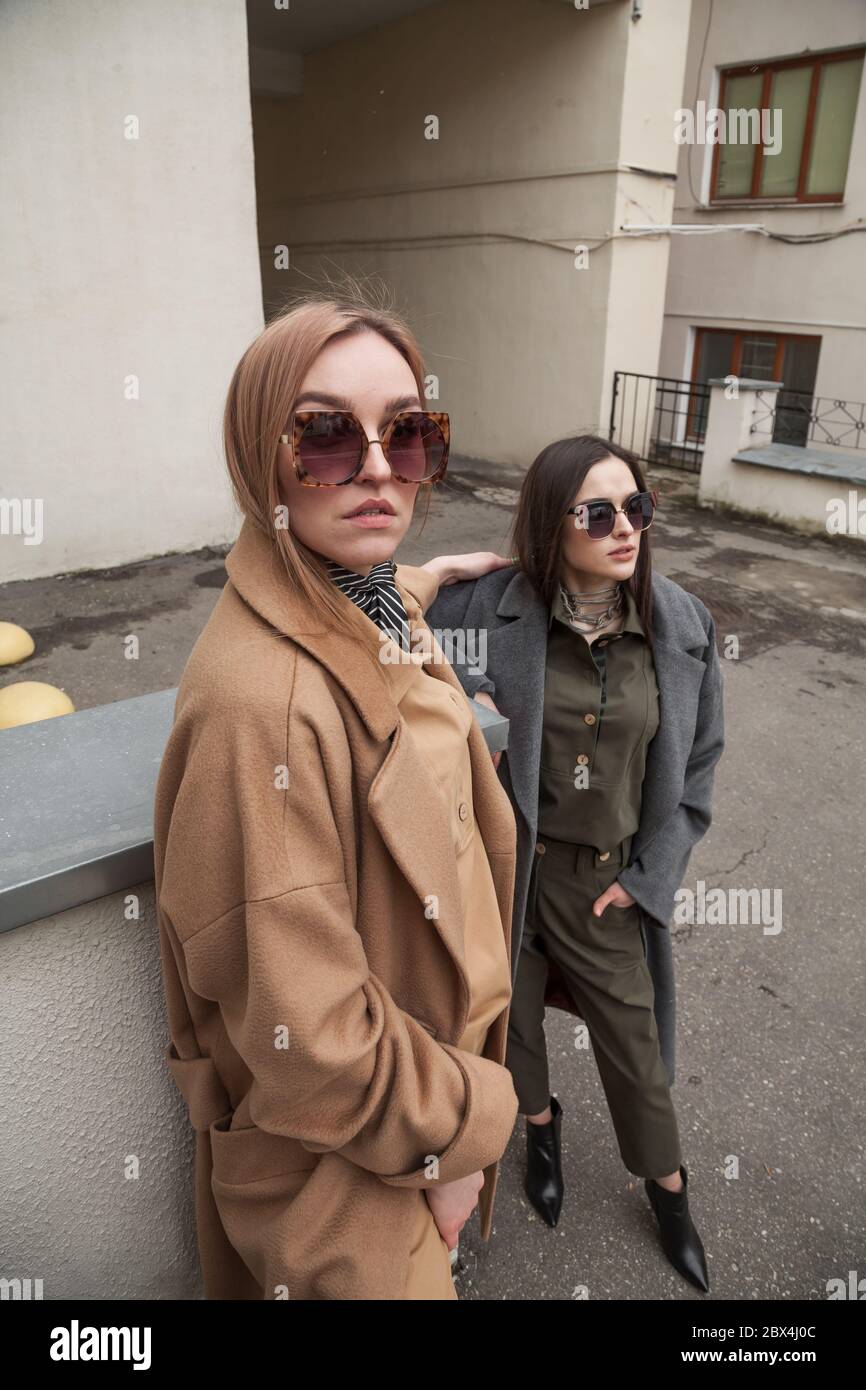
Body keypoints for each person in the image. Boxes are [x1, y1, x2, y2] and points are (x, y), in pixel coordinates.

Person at [152, 290, 520, 1299]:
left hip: (397, 1135)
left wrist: (429, 575)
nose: (372, 467)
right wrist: (460, 1143)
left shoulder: (361, 596)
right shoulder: (257, 707)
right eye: (321, 435)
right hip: (353, 1174)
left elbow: (381, 623)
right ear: (253, 454)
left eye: (407, 434)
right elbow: (310, 1042)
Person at [424, 434, 726, 1292]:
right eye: (599, 513)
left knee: (637, 1053)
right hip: (508, 875)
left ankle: (670, 1196)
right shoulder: (489, 611)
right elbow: (371, 634)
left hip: (606, 885)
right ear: (551, 526)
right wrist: (457, 695)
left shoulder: (681, 625)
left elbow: (700, 767)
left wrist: (648, 877)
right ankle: (540, 1130)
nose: (625, 528)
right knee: (510, 1026)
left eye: (637, 507)